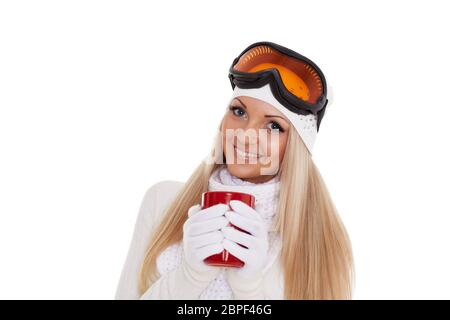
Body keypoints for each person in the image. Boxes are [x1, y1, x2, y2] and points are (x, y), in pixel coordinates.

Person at [115, 41, 354, 300]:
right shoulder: (163, 201)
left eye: (273, 126)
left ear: (295, 147)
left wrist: (250, 288)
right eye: (238, 111)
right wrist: (189, 276)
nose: (245, 135)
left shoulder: (322, 243)